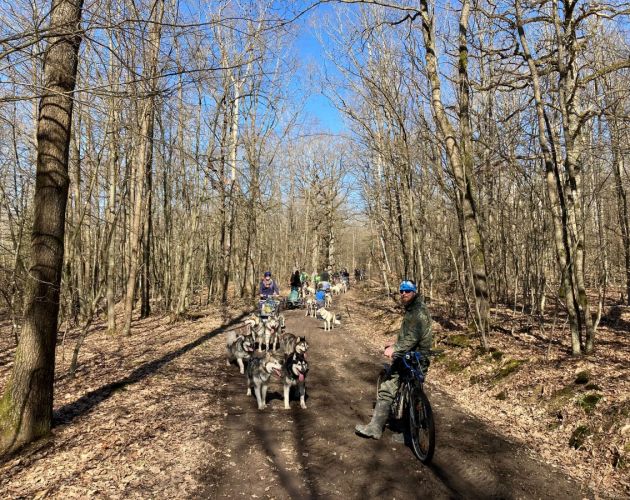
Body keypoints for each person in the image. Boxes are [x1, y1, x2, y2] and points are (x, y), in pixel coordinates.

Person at [355, 280, 432, 440]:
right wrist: (396, 343)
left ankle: (375, 428)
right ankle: (409, 434)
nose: (404, 293)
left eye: (407, 291)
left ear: (414, 292)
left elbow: (413, 337)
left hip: (412, 358)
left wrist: (396, 349)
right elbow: (410, 335)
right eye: (401, 291)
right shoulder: (414, 309)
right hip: (417, 356)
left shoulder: (418, 311)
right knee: (413, 393)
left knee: (388, 386)